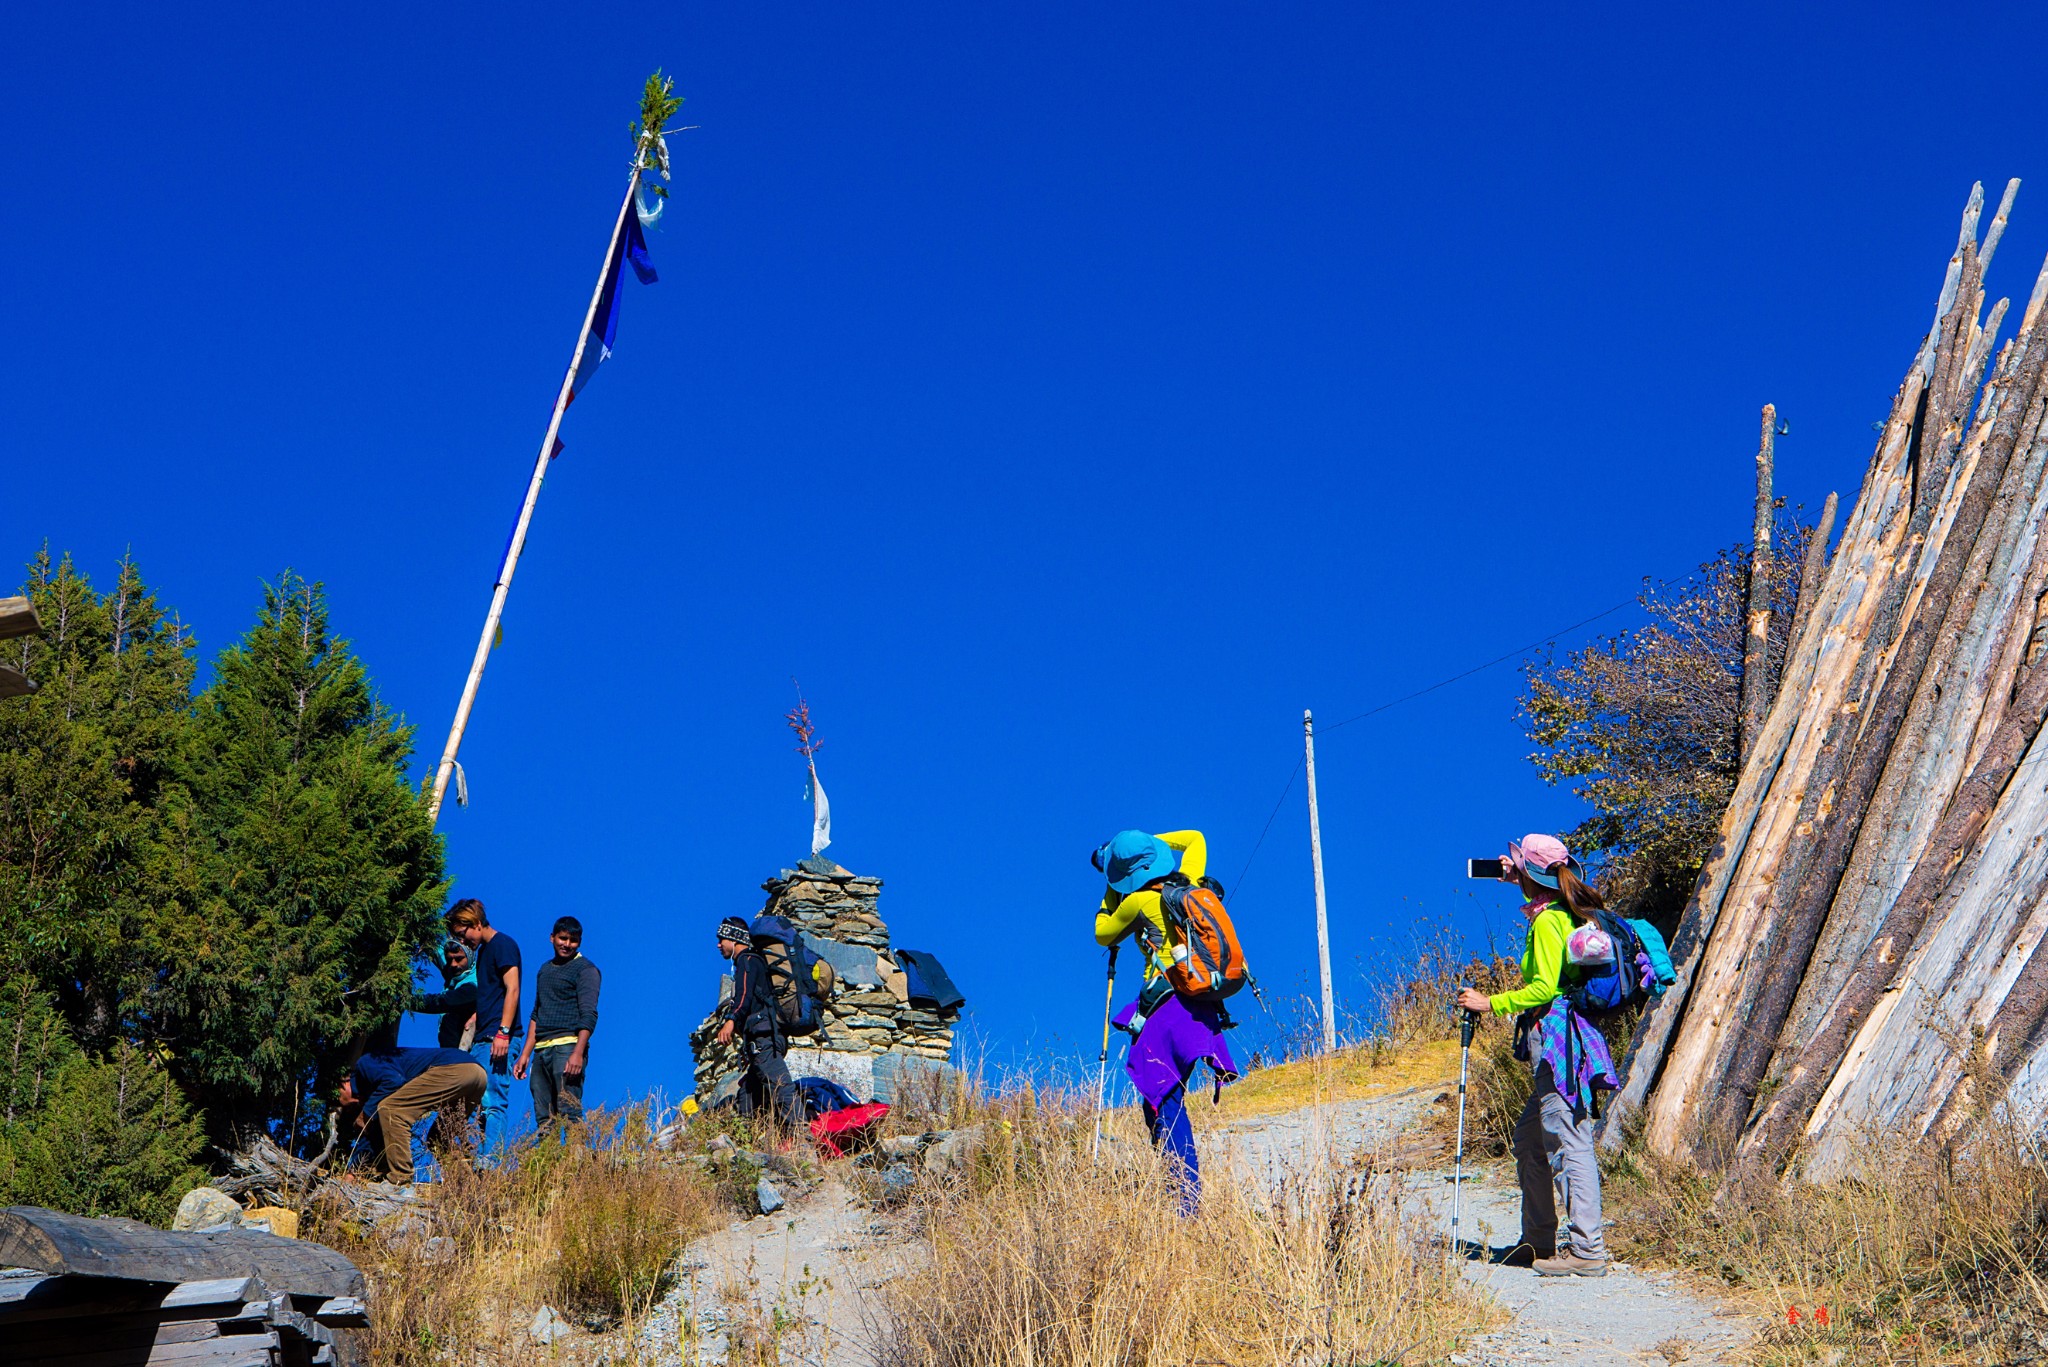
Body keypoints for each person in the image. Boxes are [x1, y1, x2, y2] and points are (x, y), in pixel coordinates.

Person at [1455, 833, 1619, 1278]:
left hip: (1555, 1040)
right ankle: (1538, 1242)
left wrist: (1491, 1003)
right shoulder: (1559, 912)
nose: (1509, 870)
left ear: (1531, 873)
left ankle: (1587, 1252)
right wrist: (1521, 879)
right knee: (1531, 1140)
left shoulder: (1548, 922)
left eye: (1517, 865)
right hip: (1559, 1040)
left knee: (1567, 1140)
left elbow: (1545, 987)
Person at [1092, 828, 1238, 1217]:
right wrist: (1148, 844)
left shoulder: (1136, 901)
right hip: (1201, 1004)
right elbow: (1195, 838)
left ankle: (1185, 1202)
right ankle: (1177, 1187)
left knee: (1163, 1101)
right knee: (1162, 1101)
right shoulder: (1186, 882)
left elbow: (1101, 933)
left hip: (1165, 1007)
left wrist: (1112, 882)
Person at [339, 1043, 487, 1185]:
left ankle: (400, 1180)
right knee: (440, 1138)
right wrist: (353, 1172)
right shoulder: (375, 1093)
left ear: (343, 1082)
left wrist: (365, 1114)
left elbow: (394, 1081)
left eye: (337, 1101)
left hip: (456, 1069)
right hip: (477, 1076)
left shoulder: (364, 1065)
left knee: (392, 1110)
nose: (342, 1108)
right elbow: (370, 1133)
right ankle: (469, 1188)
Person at [713, 914, 802, 1130]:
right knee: (747, 1096)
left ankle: (804, 1135)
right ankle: (748, 1141)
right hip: (763, 1038)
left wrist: (731, 1020)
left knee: (781, 1087)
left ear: (734, 939)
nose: (718, 945)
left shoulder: (748, 960)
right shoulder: (753, 961)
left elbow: (744, 995)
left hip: (763, 1039)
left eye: (721, 939)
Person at [447, 898, 521, 1147]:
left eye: (463, 933)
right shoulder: (485, 952)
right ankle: (480, 1166)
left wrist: (503, 1032)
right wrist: (478, 1016)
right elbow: (494, 994)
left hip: (497, 1038)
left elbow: (512, 990)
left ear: (477, 924)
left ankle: (490, 1167)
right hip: (482, 1038)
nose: (463, 941)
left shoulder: (503, 945)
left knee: (493, 1103)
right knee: (480, 1105)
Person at [515, 916, 601, 1127]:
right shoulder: (545, 970)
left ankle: (577, 1158)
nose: (567, 944)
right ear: (552, 938)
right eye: (563, 938)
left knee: (569, 1111)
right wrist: (525, 1054)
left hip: (567, 1047)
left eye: (573, 940)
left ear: (579, 942)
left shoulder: (586, 970)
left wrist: (578, 1053)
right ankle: (549, 1160)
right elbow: (537, 1013)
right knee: (544, 1119)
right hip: (541, 1051)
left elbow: (589, 1014)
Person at [415, 938, 479, 1050]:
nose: (453, 964)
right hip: (446, 1049)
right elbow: (437, 950)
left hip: (464, 1053)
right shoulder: (456, 973)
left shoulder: (473, 985)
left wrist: (406, 1001)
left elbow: (443, 1002)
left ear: (470, 958)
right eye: (449, 960)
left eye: (459, 959)